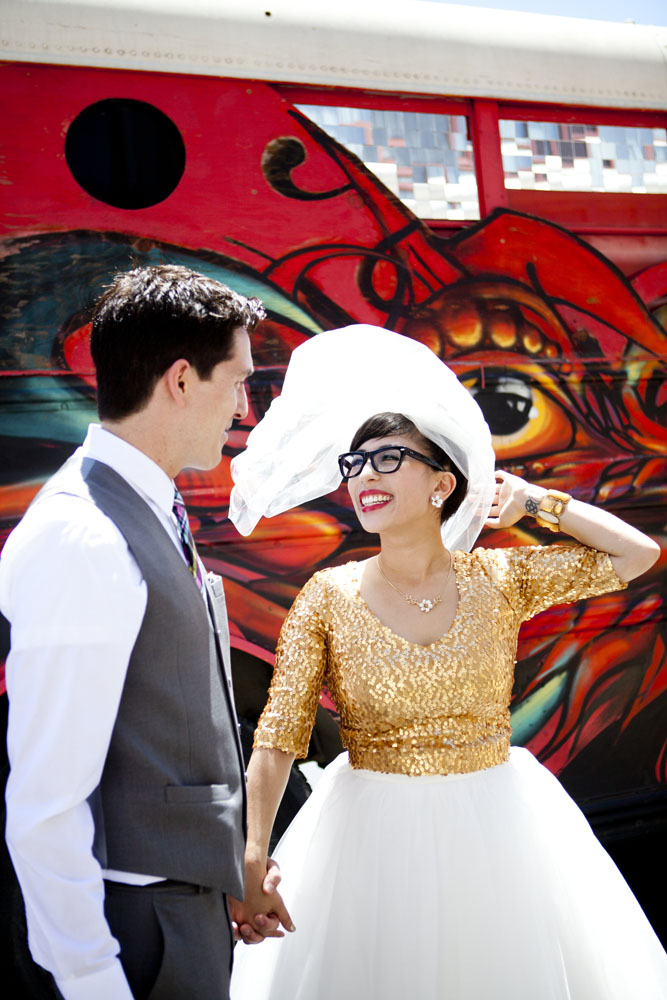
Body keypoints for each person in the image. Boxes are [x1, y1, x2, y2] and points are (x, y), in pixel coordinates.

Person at [228, 325, 667, 999]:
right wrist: (253, 856)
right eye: (353, 464)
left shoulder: (500, 580)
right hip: (368, 840)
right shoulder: (327, 595)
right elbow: (278, 735)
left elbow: (635, 555)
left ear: (441, 483)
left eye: (386, 459)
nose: (363, 477)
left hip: (498, 827)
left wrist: (531, 501)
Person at [0, 265, 293, 1000]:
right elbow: (46, 803)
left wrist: (222, 868)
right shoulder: (85, 537)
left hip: (179, 911)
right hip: (136, 939)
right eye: (237, 380)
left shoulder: (143, 504)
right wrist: (93, 980)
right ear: (182, 380)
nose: (244, 406)